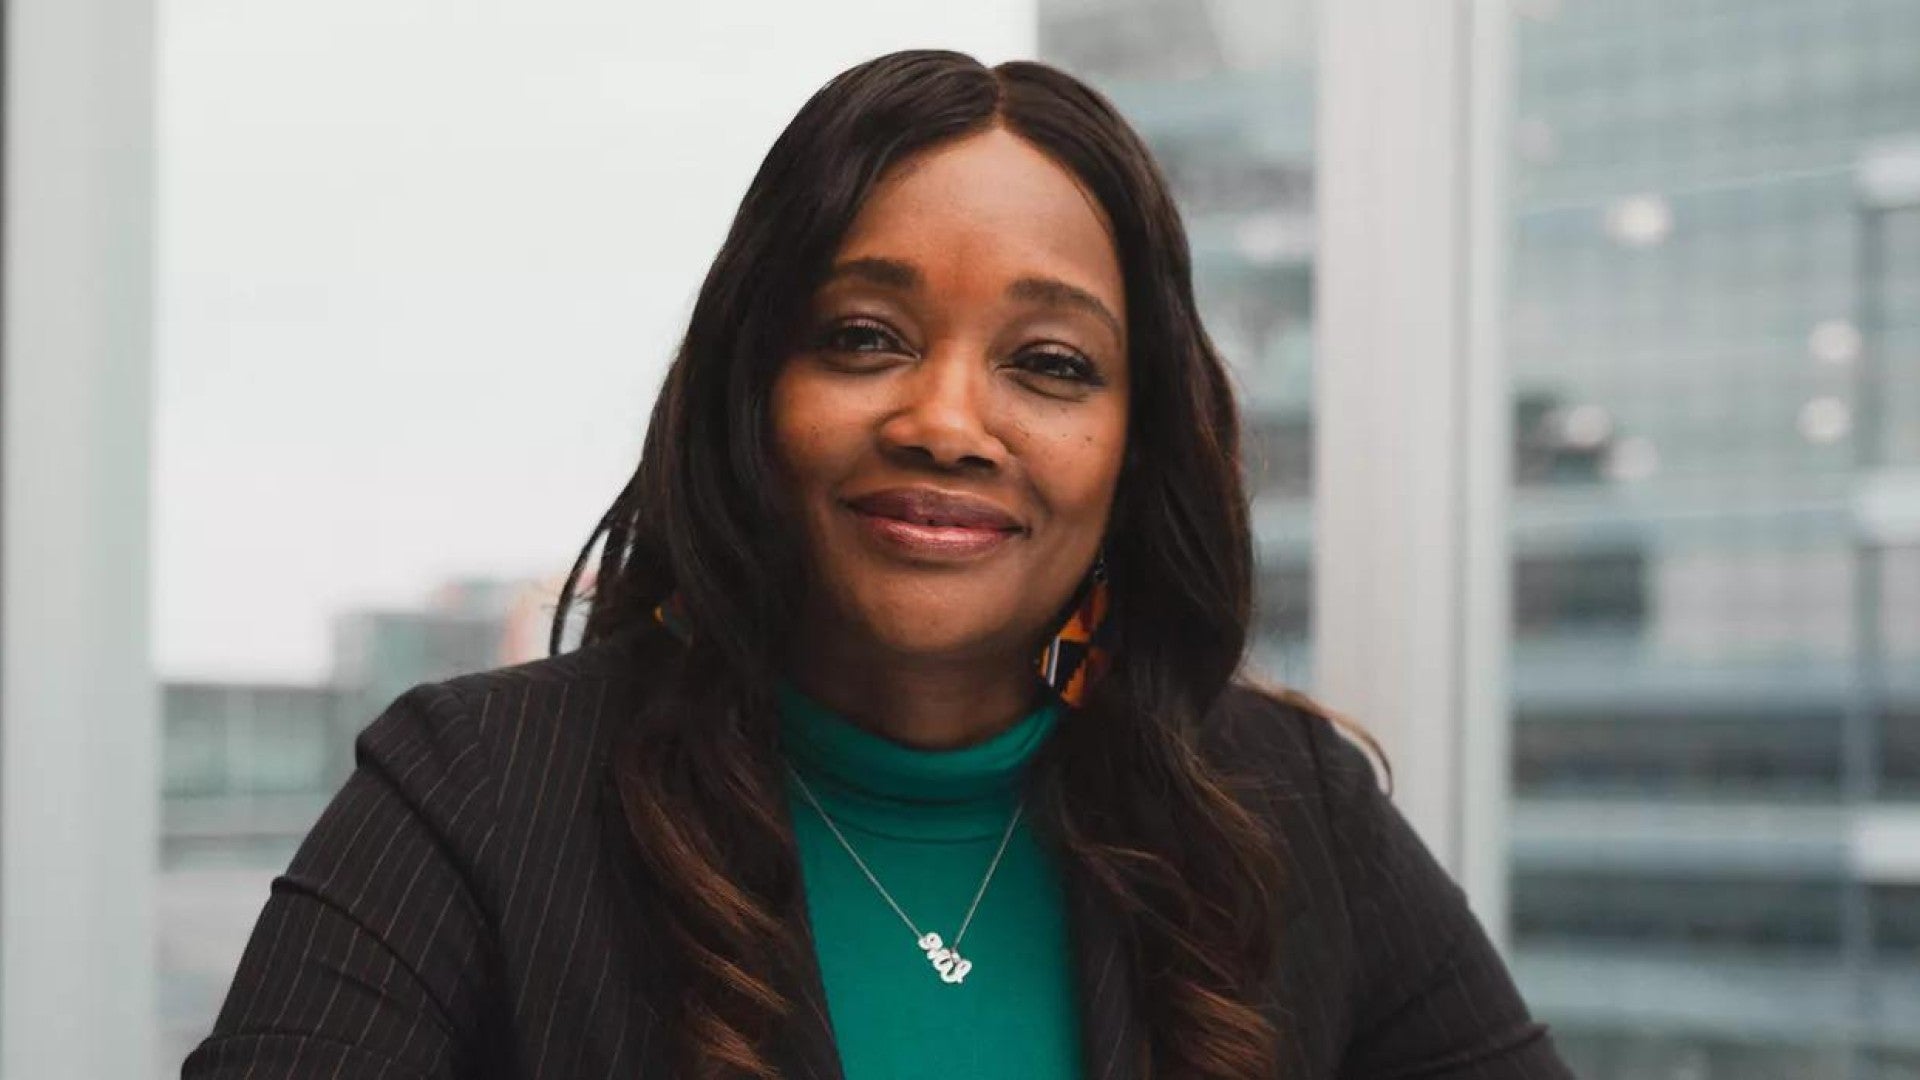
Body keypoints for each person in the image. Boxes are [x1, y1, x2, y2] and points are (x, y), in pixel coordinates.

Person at [183, 48, 1574, 1080]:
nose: (947, 424)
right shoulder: (474, 799)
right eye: (864, 336)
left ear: (1134, 450)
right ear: (751, 390)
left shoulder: (1290, 810)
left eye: (1049, 364)